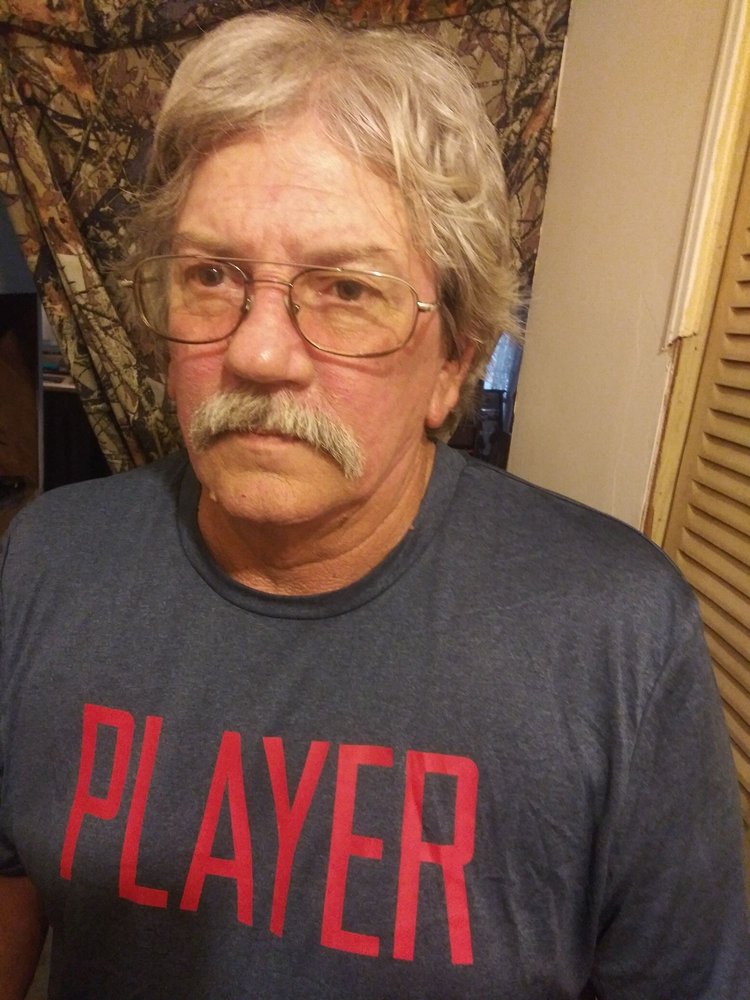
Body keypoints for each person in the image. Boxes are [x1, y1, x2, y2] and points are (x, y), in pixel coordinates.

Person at [0, 12, 747, 999]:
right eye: (212, 275)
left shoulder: (617, 637)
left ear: (453, 363)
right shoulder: (46, 561)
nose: (258, 351)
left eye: (347, 290)